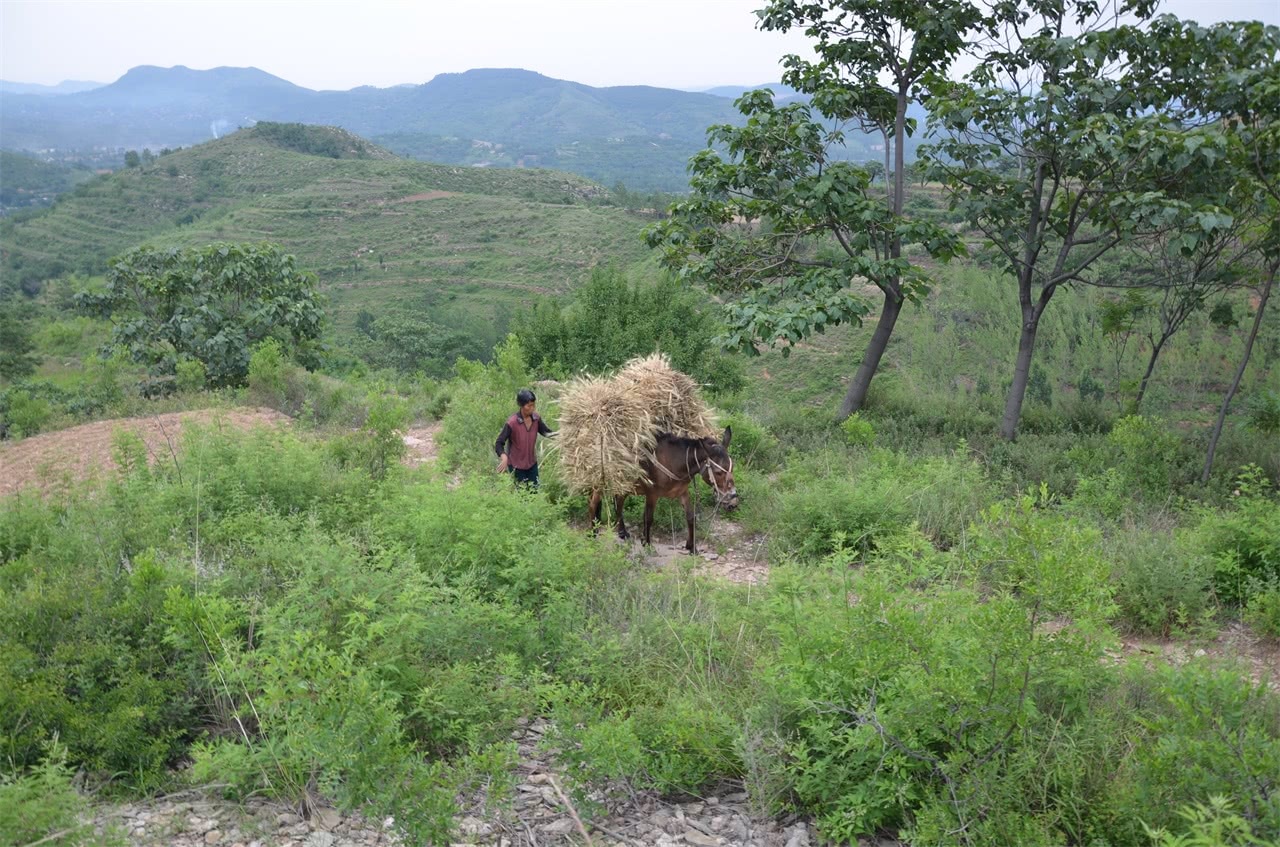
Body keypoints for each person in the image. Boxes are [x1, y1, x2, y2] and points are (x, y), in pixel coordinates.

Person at [494, 388, 553, 489]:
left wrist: (564, 436)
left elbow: (546, 433)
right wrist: (504, 457)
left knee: (534, 494)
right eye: (529, 406)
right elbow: (499, 443)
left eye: (533, 405)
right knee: (522, 496)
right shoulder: (512, 423)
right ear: (521, 406)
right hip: (517, 466)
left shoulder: (536, 419)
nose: (532, 408)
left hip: (532, 464)